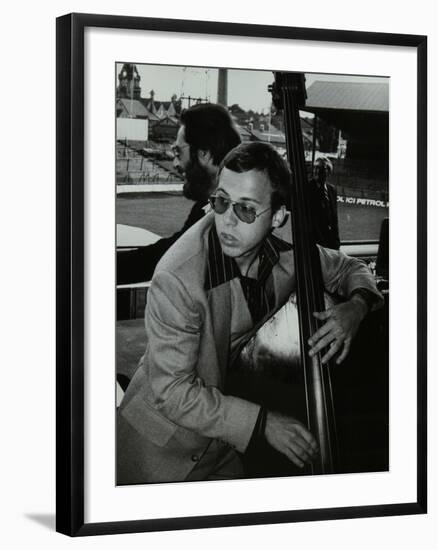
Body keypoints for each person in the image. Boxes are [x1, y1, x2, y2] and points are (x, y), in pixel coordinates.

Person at [117, 142, 382, 485]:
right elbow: (171, 392)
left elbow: (348, 267)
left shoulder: (287, 248)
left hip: (223, 441)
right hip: (159, 446)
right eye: (221, 202)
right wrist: (263, 424)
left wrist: (356, 308)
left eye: (245, 209)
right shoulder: (177, 277)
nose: (226, 220)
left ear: (278, 217)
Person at [117, 102, 241, 284]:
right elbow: (169, 250)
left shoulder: (227, 212)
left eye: (178, 152)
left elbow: (166, 258)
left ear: (204, 154)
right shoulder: (208, 206)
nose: (175, 164)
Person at [308, 156, 340, 250]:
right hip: (315, 244)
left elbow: (334, 218)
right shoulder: (307, 188)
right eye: (315, 167)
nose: (317, 171)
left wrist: (336, 242)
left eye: (321, 168)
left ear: (329, 172)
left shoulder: (332, 190)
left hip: (330, 244)